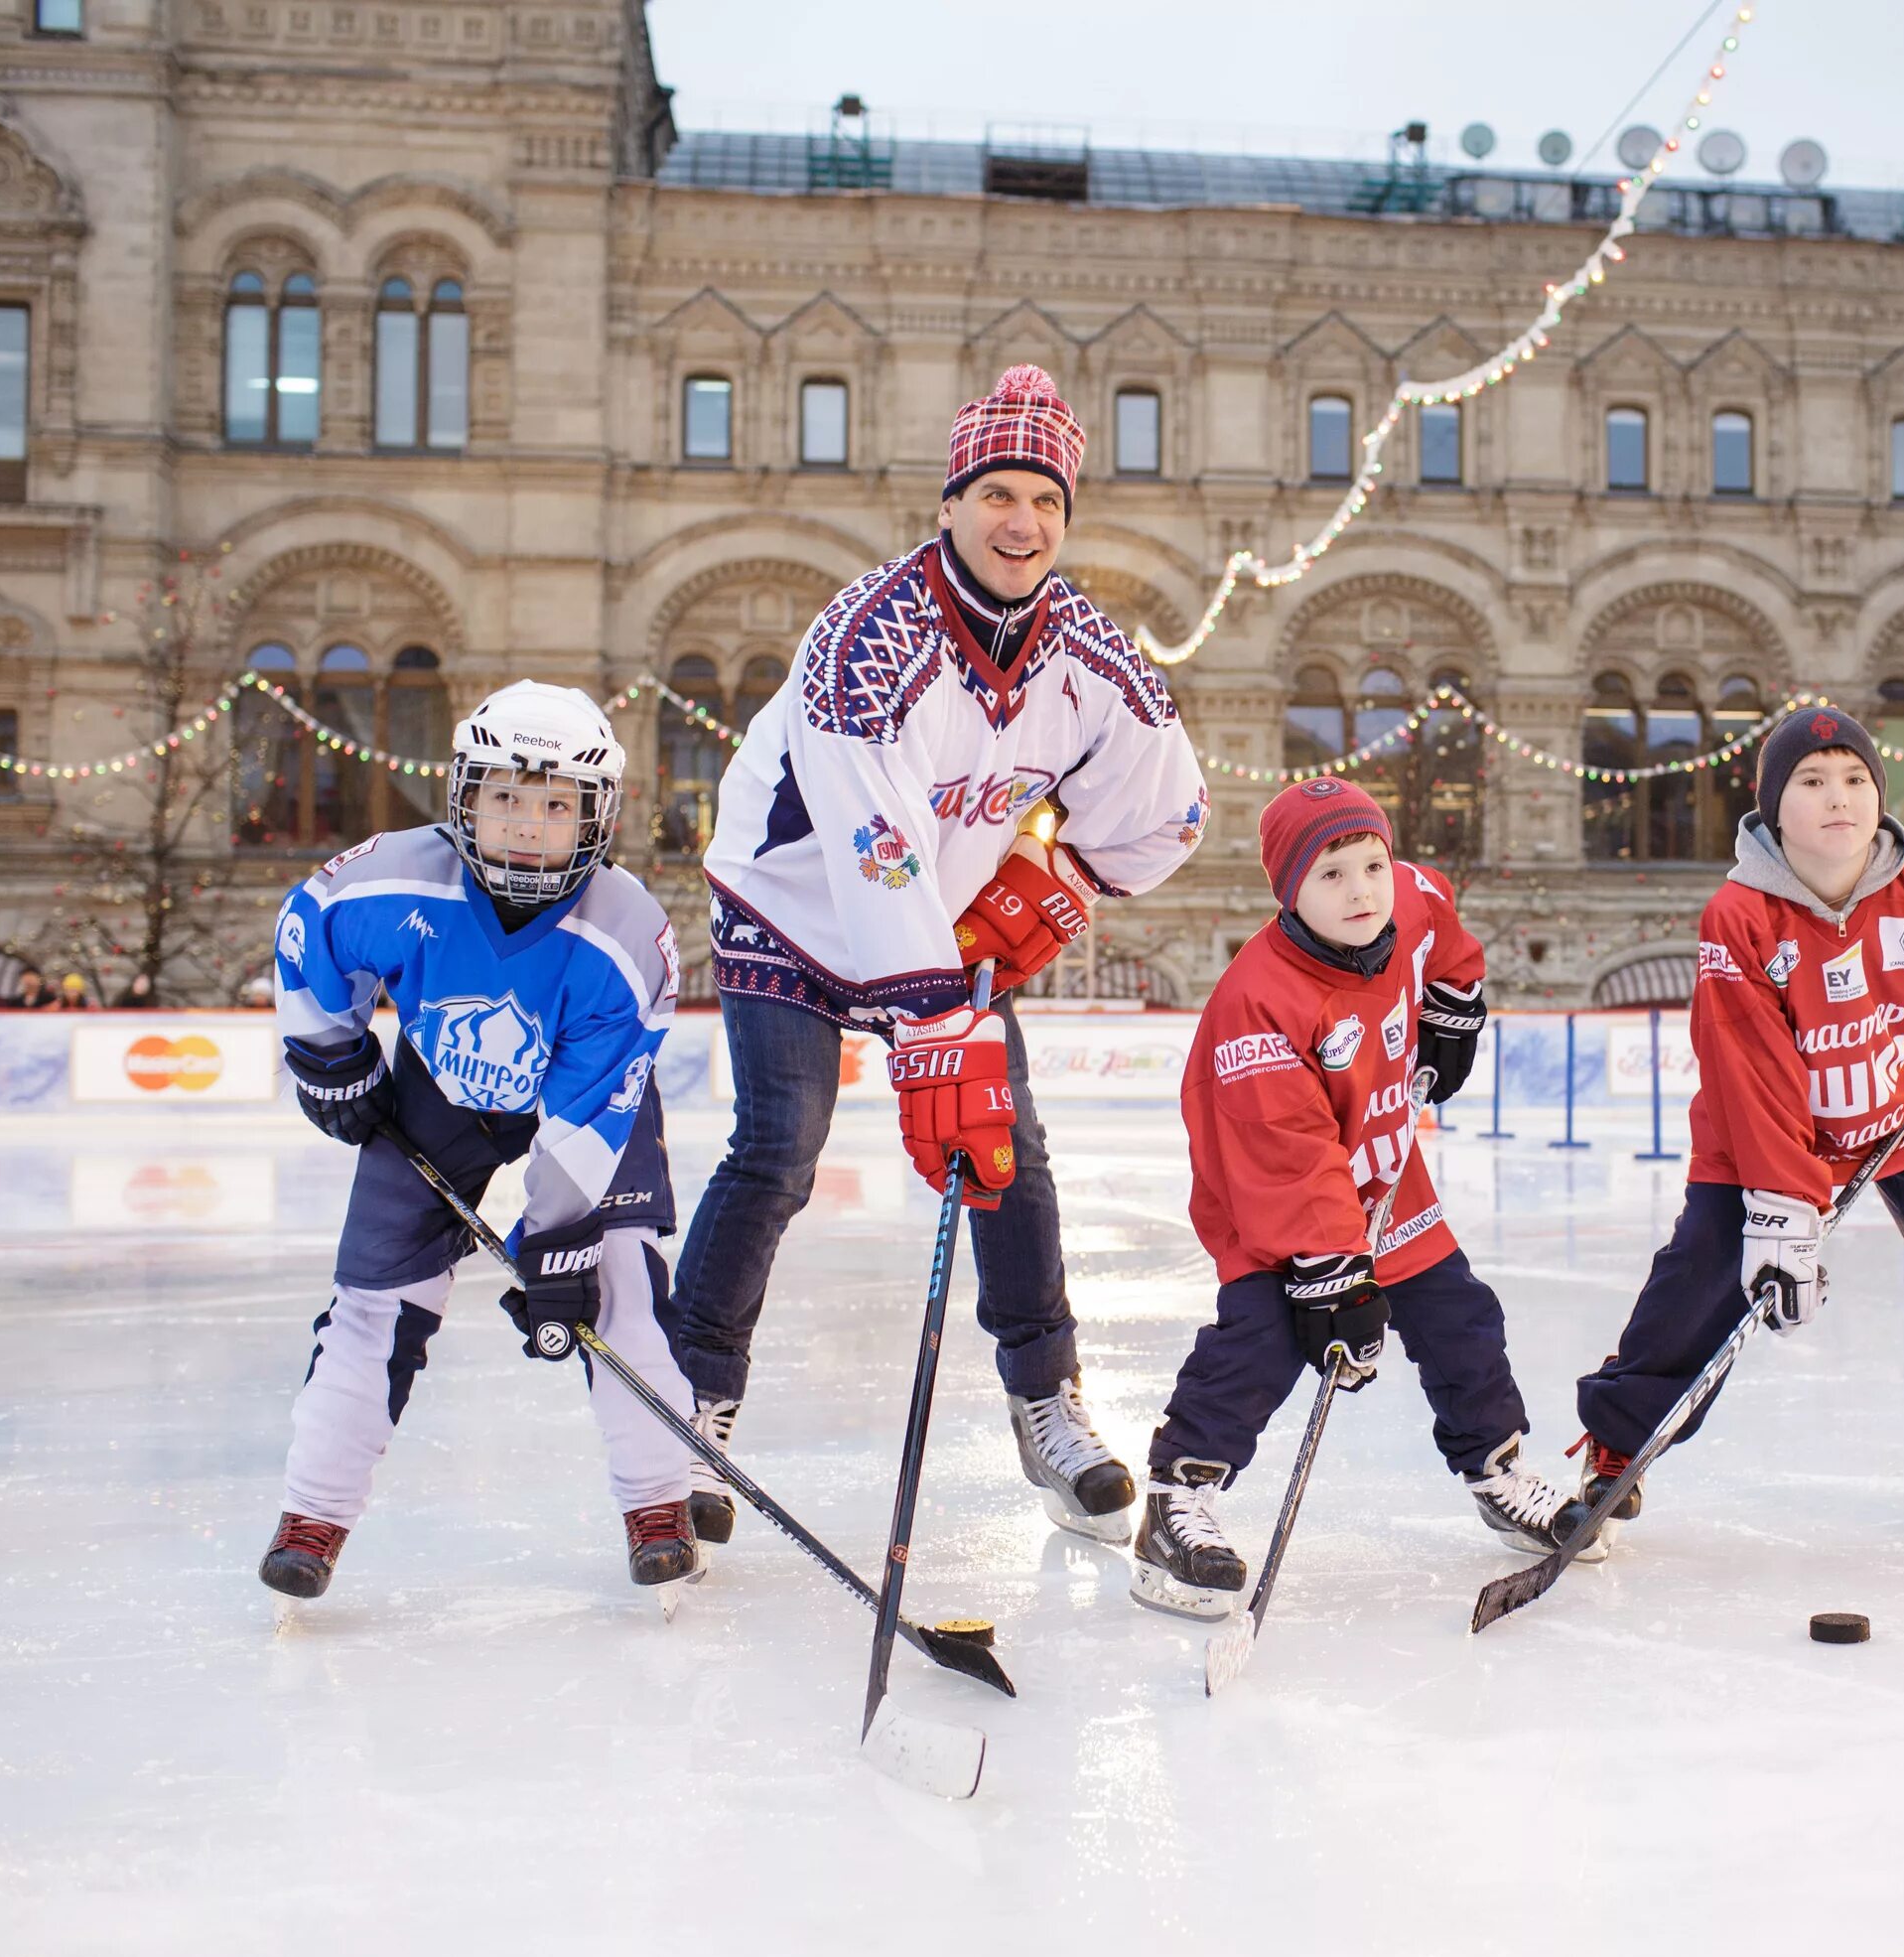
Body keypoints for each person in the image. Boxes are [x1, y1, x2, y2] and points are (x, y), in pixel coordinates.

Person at [674, 365, 1210, 1548]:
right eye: (1000, 494)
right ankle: (690, 1405)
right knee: (779, 1149)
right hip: (794, 912)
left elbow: (1173, 810)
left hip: (943, 924)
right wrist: (935, 1028)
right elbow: (872, 843)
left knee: (1010, 1147)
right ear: (952, 503)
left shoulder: (1089, 655)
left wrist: (1057, 878)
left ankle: (1045, 1396)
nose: (1023, 522)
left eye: (1047, 503)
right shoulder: (869, 636)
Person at [1568, 708, 1904, 1543]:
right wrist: (1784, 1209)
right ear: (1773, 810)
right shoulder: (1741, 919)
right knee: (1700, 1274)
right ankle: (1618, 1442)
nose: (1837, 798)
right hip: (1766, 1134)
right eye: (1810, 782)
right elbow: (1752, 1073)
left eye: (1854, 779)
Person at [256, 681, 699, 1603]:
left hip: (587, 1102)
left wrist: (560, 1240)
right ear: (463, 797)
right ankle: (313, 1512)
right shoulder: (390, 879)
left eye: (554, 805)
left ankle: (659, 1500)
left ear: (596, 815)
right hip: (440, 1091)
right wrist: (335, 1059)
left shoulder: (627, 939)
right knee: (373, 1301)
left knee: (617, 1285)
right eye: (504, 798)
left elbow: (591, 1114)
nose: (528, 825)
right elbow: (306, 938)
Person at [1131, 777, 1590, 1617]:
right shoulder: (1258, 1001)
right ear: (1291, 893)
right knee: (1265, 1340)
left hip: (1385, 1180)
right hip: (1271, 1199)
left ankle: (1496, 1469)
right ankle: (1176, 1498)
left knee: (1461, 1320)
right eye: (1331, 875)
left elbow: (1440, 920)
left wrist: (1454, 1006)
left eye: (1370, 864)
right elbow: (1290, 1156)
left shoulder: (1405, 900)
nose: (1361, 891)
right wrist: (1334, 1273)